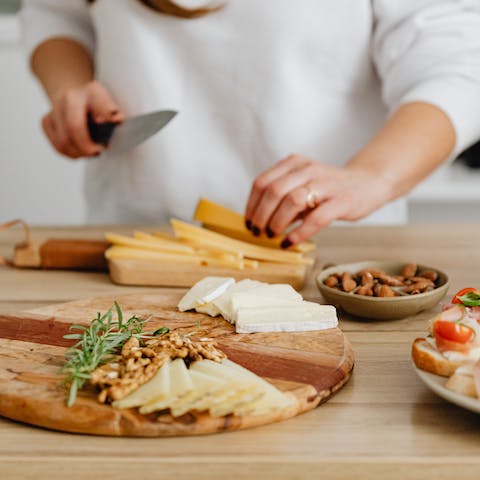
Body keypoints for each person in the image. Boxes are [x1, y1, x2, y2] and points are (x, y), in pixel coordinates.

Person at [21, 0, 480, 247]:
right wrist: (70, 85)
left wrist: (371, 176)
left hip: (331, 254)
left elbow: (458, 65)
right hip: (137, 237)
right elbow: (55, 13)